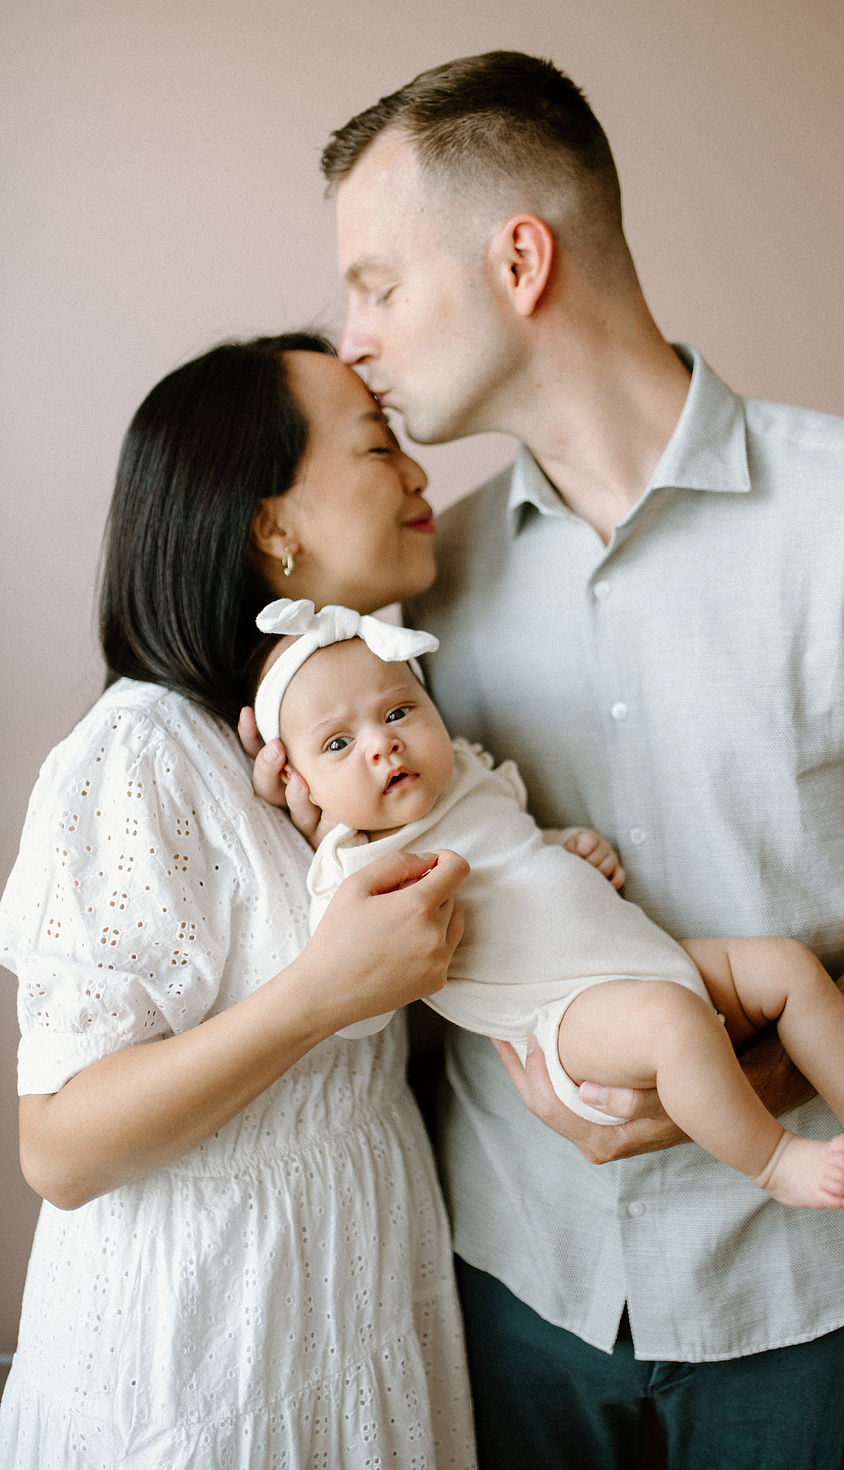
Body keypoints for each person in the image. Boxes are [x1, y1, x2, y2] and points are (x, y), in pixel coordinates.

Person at [246, 50, 844, 1470]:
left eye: (379, 284)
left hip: (802, 1278)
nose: (357, 342)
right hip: (510, 1270)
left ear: (519, 259)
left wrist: (745, 1092)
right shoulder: (409, 603)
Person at [0, 334, 477, 1468]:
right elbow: (59, 1150)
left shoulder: (352, 732)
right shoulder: (136, 756)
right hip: (201, 1353)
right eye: (378, 446)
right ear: (272, 529)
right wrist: (316, 994)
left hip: (351, 1306)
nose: (420, 477)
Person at [250, 598, 844, 1213]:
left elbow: (520, 850)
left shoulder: (467, 777)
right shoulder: (356, 870)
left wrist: (571, 847)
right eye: (339, 743)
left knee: (784, 966)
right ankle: (773, 1161)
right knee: (671, 1022)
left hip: (646, 958)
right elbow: (358, 998)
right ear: (303, 783)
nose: (383, 744)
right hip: (570, 1020)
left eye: (400, 710)